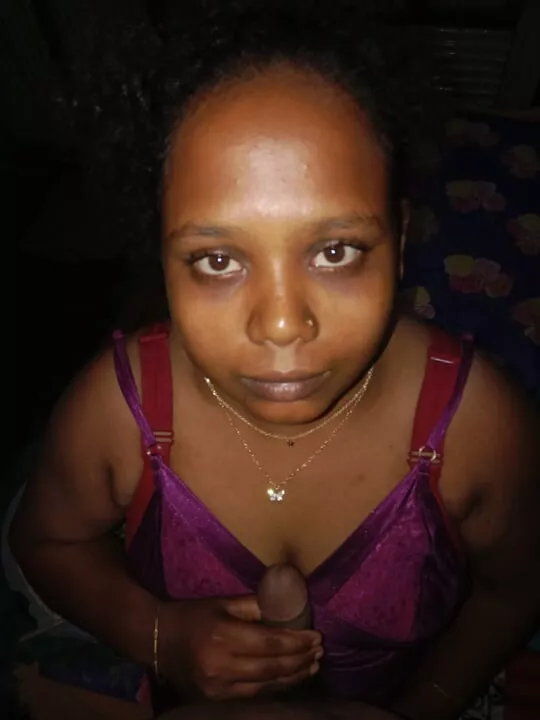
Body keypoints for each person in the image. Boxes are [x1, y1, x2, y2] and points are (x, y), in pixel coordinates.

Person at [9, 3, 540, 720]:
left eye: (335, 251)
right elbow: (46, 540)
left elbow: (516, 588)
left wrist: (428, 705)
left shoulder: (479, 428)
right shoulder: (117, 410)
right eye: (218, 260)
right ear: (162, 257)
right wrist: (159, 635)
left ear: (400, 243)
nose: (283, 323)